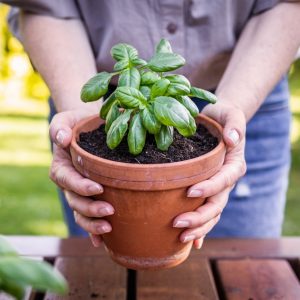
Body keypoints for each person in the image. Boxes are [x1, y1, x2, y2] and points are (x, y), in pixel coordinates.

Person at [3, 0, 300, 248]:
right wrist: (83, 115)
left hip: (248, 89)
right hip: (90, 97)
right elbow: (46, 4)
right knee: (101, 274)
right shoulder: (115, 97)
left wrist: (236, 104)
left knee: (242, 271)